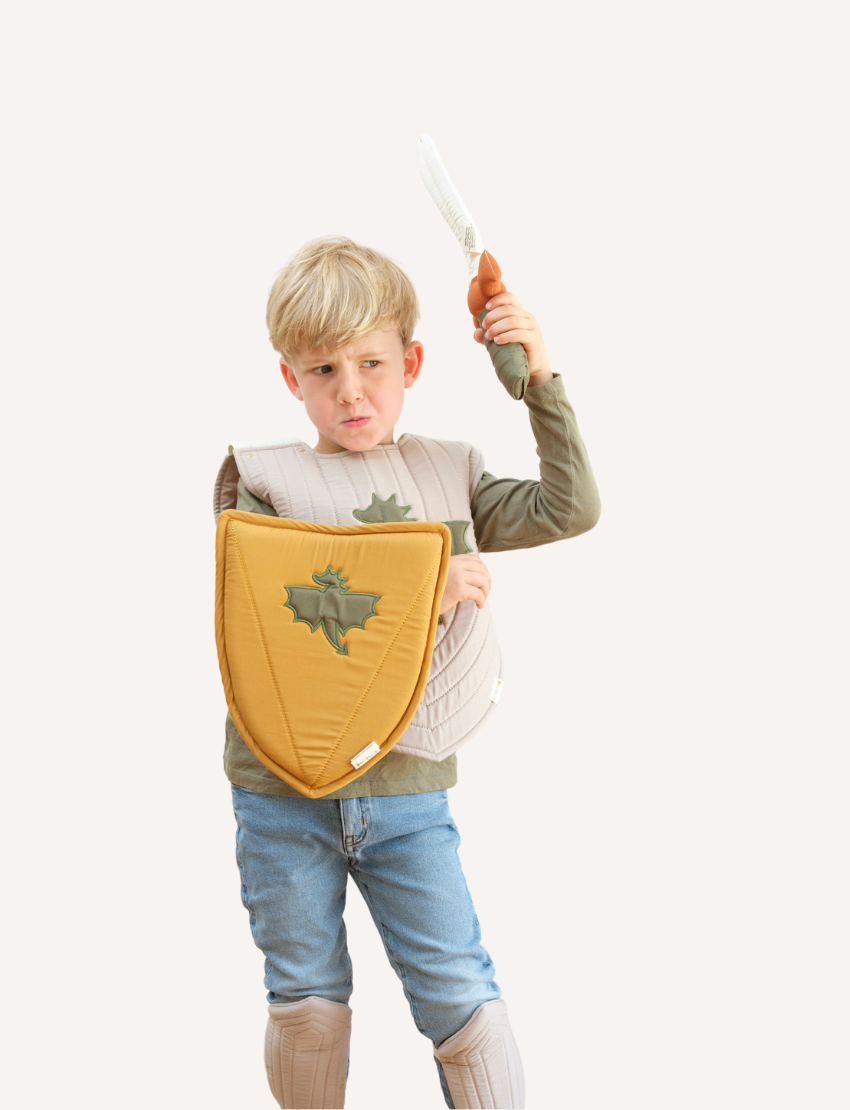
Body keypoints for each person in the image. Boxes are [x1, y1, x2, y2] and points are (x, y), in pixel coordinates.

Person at [213, 235, 601, 1108]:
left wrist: (537, 380)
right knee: (306, 1004)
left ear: (412, 362)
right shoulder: (263, 485)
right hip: (281, 793)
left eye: (371, 363)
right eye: (322, 371)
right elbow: (277, 619)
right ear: (291, 381)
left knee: (460, 998)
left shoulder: (449, 472)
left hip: (406, 788)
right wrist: (422, 593)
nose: (350, 391)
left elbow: (570, 507)